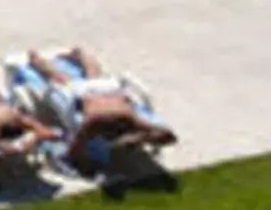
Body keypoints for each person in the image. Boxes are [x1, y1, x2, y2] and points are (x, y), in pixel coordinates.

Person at [26, 47, 178, 171]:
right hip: (97, 92)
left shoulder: (127, 118)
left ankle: (62, 56)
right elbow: (75, 149)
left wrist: (141, 137)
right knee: (64, 76)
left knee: (80, 76)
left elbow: (169, 136)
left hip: (103, 92)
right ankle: (41, 59)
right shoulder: (102, 120)